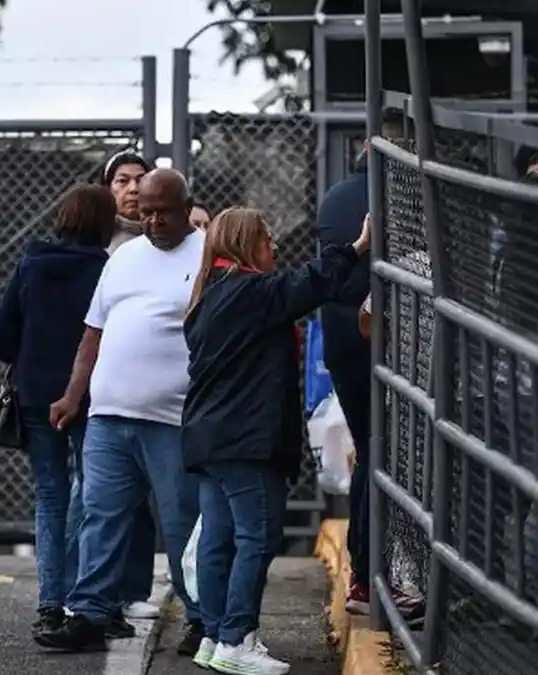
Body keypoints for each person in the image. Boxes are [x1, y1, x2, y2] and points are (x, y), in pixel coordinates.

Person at [182, 208, 370, 673]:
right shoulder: (251, 292)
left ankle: (212, 635)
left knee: (218, 539)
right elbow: (307, 284)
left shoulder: (209, 296)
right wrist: (359, 247)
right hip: (245, 440)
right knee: (257, 535)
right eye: (268, 238)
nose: (276, 246)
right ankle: (236, 638)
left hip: (209, 437)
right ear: (247, 243)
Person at [38, 168, 205, 654]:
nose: (153, 221)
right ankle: (90, 614)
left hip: (174, 418)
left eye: (163, 212)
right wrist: (73, 395)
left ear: (186, 207)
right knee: (101, 516)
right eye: (146, 213)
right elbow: (94, 332)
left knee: (181, 521)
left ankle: (201, 617)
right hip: (108, 416)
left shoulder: (208, 253)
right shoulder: (123, 257)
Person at [0, 184, 118, 635]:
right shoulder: (107, 270)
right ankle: (87, 596)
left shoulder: (31, 264)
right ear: (105, 223)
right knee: (92, 492)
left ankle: (49, 601)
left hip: (35, 394)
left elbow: (0, 337)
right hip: (92, 396)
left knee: (49, 494)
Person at [317, 107, 424, 623]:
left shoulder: (337, 196)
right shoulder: (409, 194)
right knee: (398, 458)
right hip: (396, 340)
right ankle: (383, 573)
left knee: (371, 451)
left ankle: (365, 574)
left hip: (345, 344)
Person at [97, 151, 164, 623]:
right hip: (104, 386)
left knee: (144, 496)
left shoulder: (167, 242)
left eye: (141, 179)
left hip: (155, 392)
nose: (133, 188)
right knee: (99, 499)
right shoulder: (98, 243)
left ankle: (135, 587)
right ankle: (94, 593)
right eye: (122, 180)